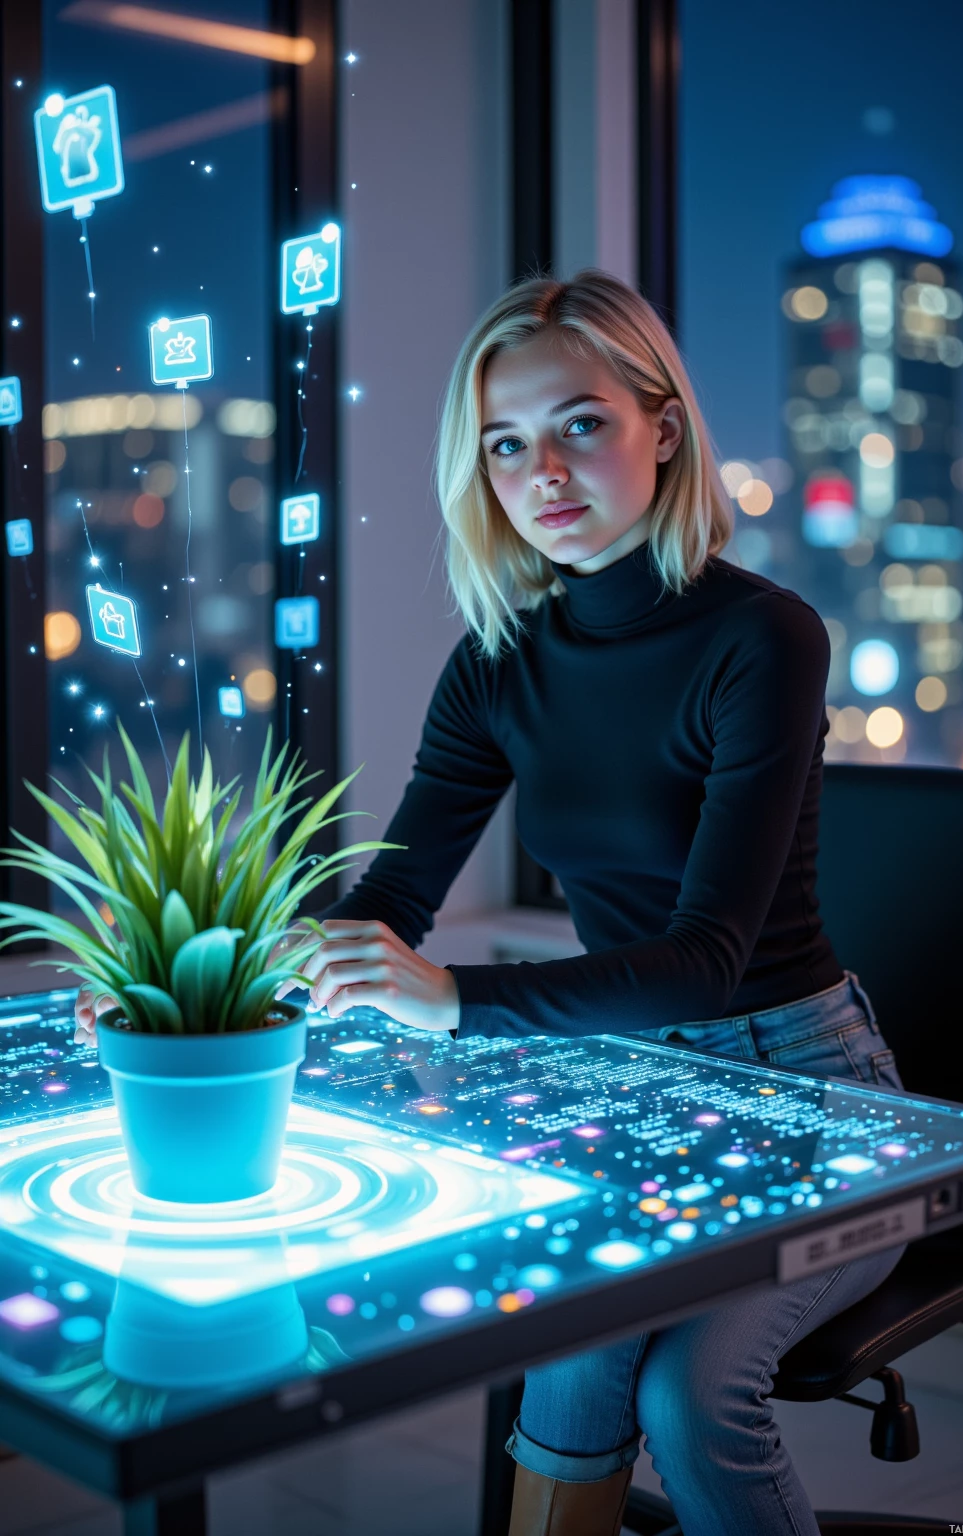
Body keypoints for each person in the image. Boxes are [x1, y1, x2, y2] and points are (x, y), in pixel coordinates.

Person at [76, 270, 907, 1536]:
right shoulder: (498, 659)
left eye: (581, 424)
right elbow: (394, 894)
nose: (545, 475)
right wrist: (187, 973)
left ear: (661, 428)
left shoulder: (764, 639)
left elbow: (701, 963)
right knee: (569, 1353)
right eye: (506, 446)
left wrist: (455, 1000)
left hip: (807, 1082)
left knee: (694, 1399)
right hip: (631, 1079)